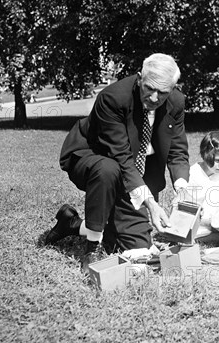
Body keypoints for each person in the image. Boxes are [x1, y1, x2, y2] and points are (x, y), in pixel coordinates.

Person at [44, 53, 191, 273]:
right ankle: (91, 247)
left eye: (162, 92)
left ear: (173, 88)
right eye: (149, 88)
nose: (154, 98)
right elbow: (121, 157)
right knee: (107, 169)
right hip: (92, 156)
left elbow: (177, 150)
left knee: (136, 245)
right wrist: (150, 203)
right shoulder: (112, 98)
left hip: (133, 167)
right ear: (140, 77)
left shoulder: (176, 101)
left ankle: (71, 225)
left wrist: (182, 189)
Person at [174, 131, 219, 244]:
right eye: (218, 160)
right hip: (197, 230)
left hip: (217, 228)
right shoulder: (191, 175)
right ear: (206, 154)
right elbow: (182, 213)